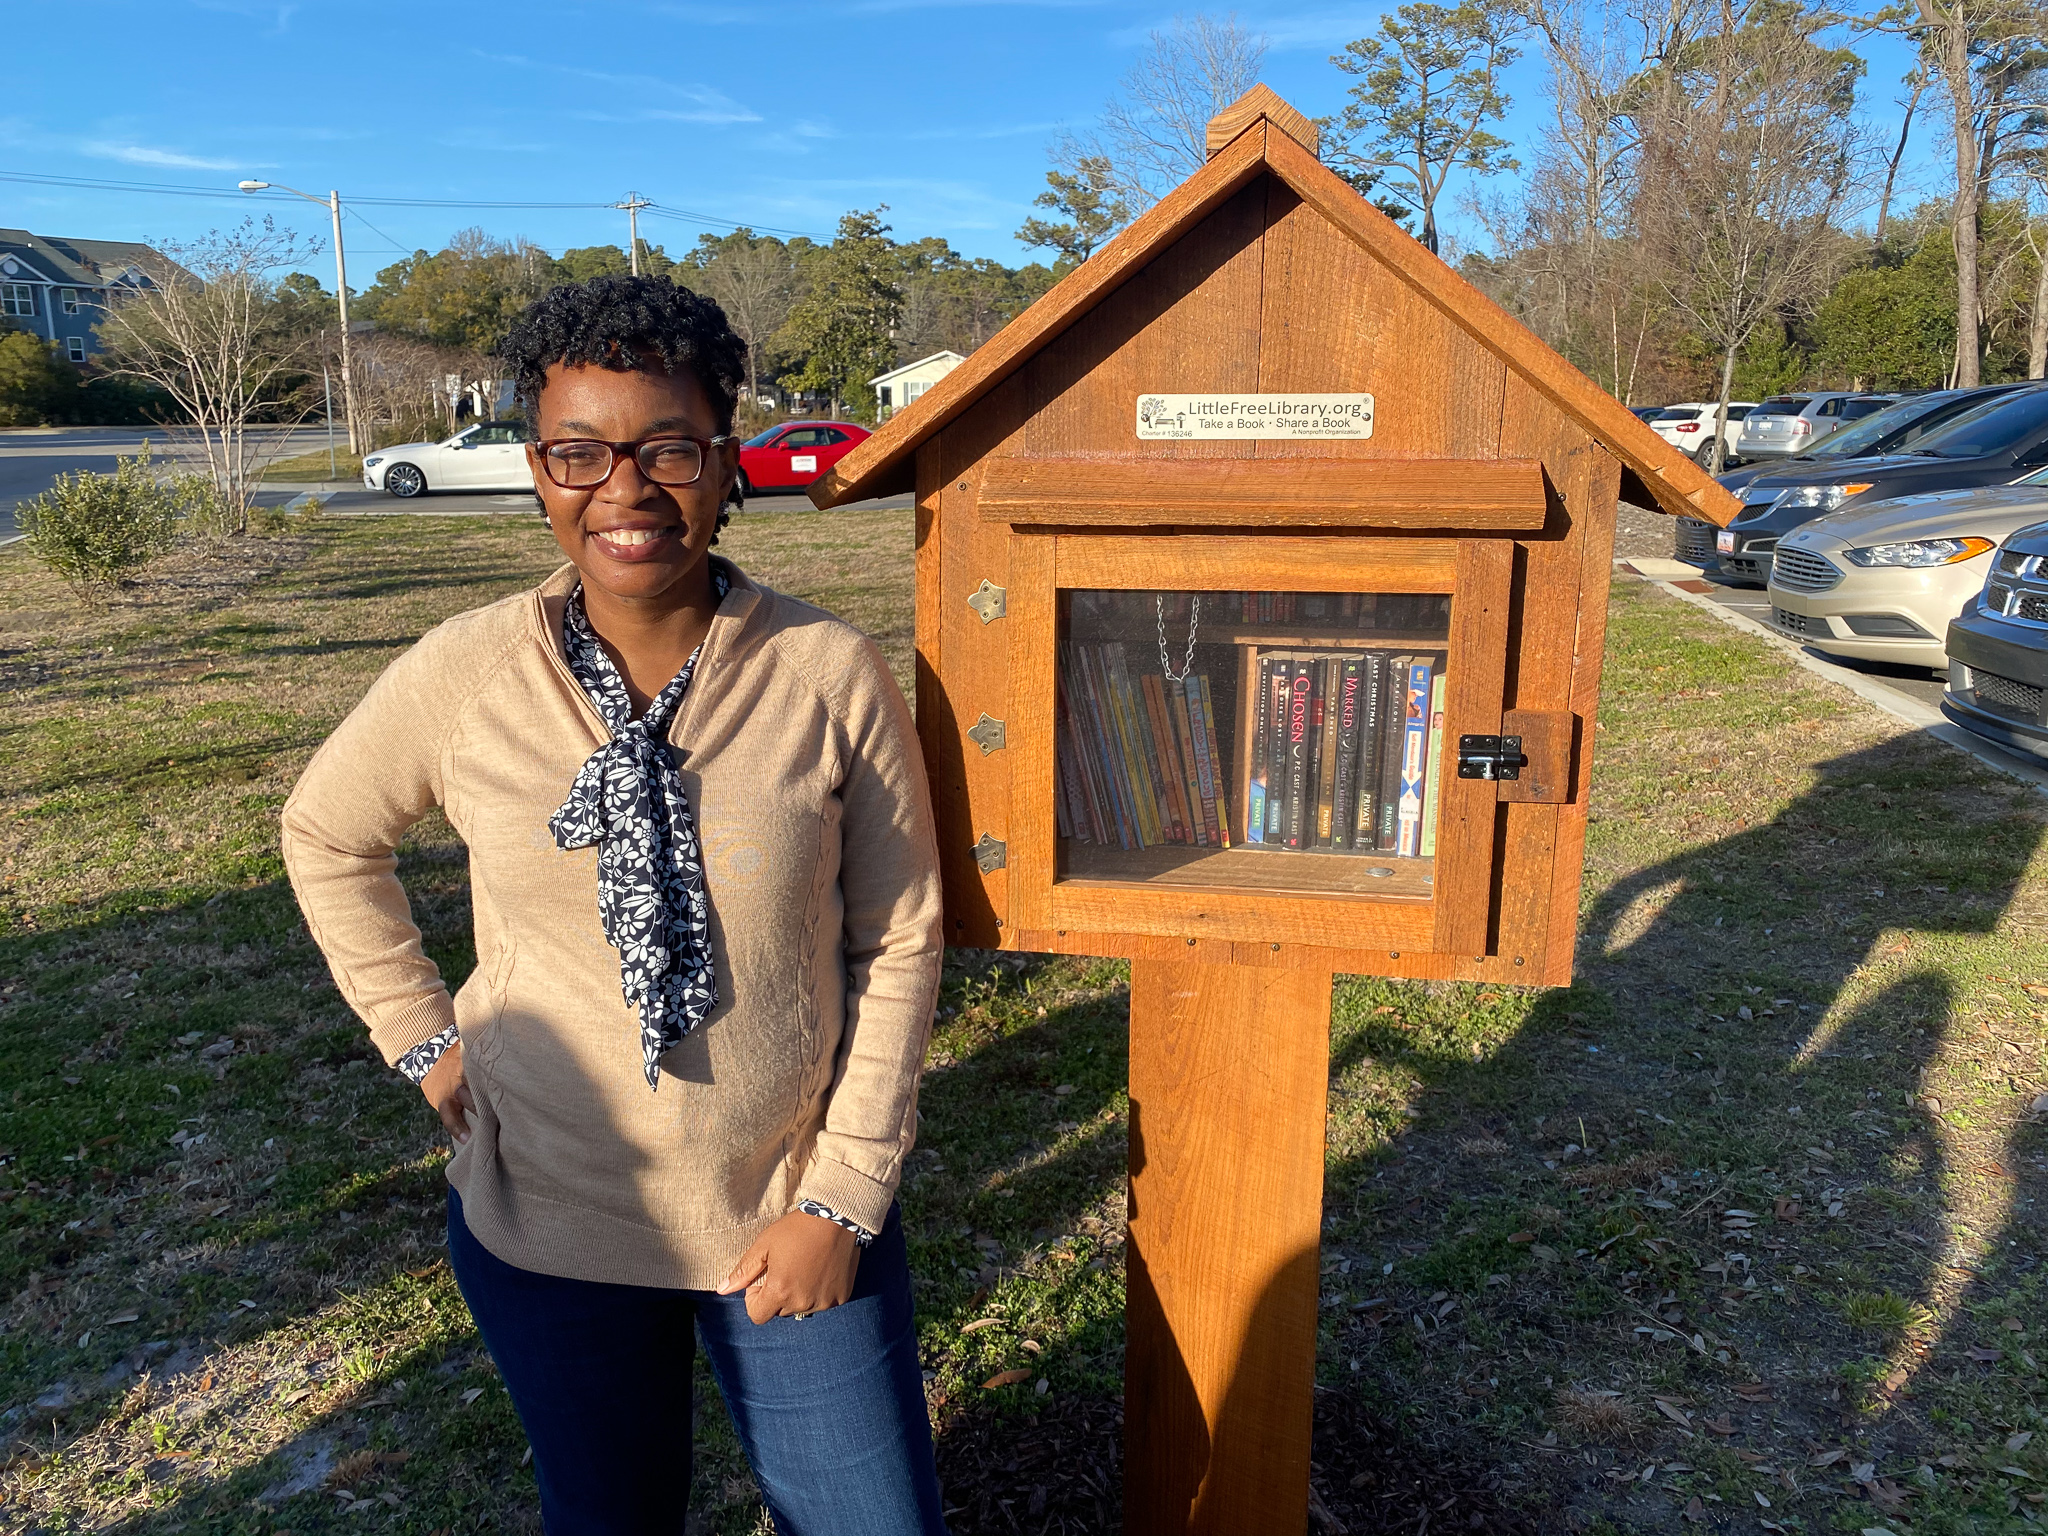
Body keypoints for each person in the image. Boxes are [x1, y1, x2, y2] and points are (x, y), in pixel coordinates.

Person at [281, 274, 948, 1535]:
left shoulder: (823, 671)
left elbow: (899, 933)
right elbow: (324, 833)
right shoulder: (468, 670)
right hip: (547, 1227)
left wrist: (841, 1197)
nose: (625, 491)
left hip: (785, 1212)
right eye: (578, 453)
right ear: (538, 467)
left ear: (725, 457)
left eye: (667, 450)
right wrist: (420, 1038)